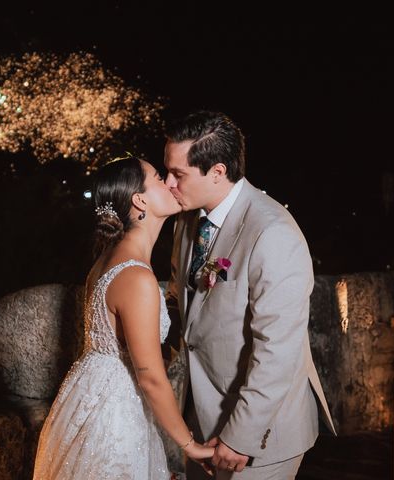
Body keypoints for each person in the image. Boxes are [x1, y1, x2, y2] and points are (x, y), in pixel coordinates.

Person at [163, 111, 336, 479]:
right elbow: (183, 304)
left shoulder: (272, 233)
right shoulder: (187, 220)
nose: (167, 183)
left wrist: (240, 437)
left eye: (177, 174)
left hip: (260, 435)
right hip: (202, 416)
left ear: (217, 172)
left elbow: (277, 350)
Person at [33, 156, 214, 479]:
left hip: (88, 399)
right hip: (113, 415)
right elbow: (151, 377)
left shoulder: (106, 260)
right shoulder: (136, 277)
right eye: (159, 177)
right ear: (139, 199)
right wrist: (191, 446)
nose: (170, 182)